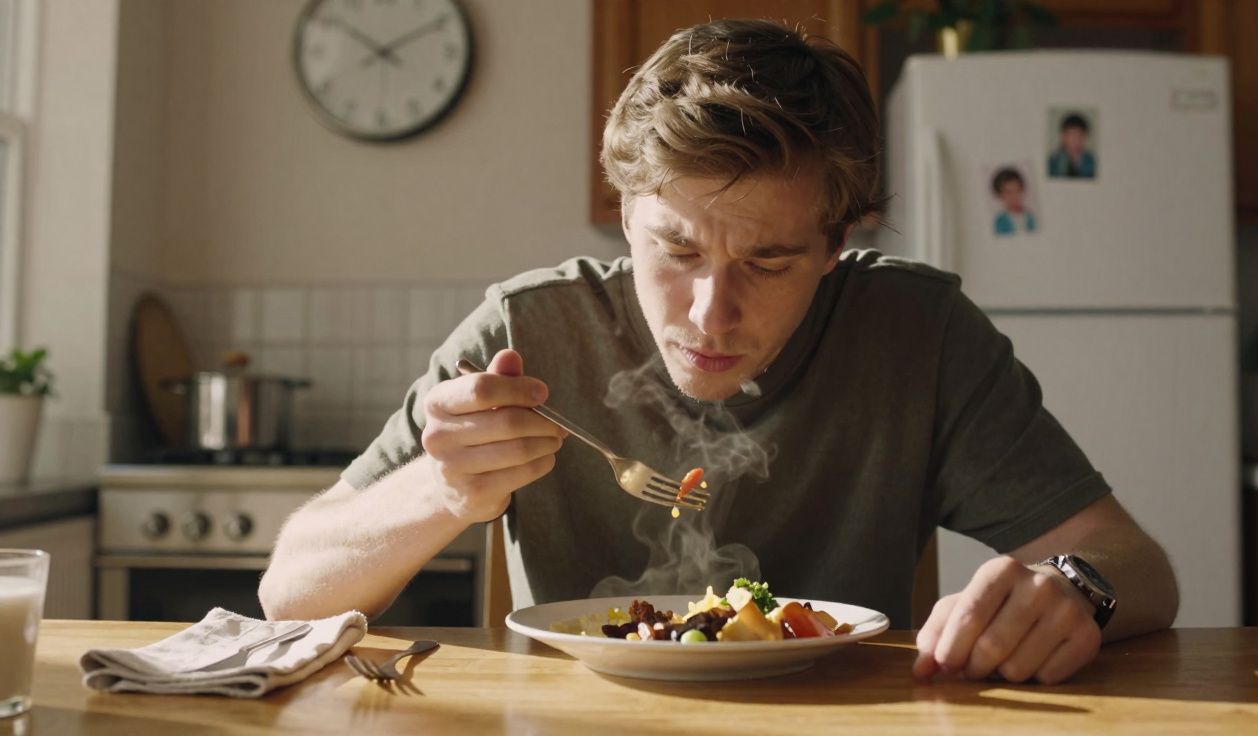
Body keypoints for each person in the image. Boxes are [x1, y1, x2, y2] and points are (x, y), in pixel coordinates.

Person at [260, 19, 1177, 685]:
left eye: (768, 262)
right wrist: (443, 490)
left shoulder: (917, 333)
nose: (711, 313)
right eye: (677, 251)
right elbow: (289, 594)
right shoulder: (527, 331)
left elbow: (1138, 566)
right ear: (627, 212)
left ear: (834, 244)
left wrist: (1074, 587)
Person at [1048, 112, 1097, 178]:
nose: (1075, 140)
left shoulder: (1092, 162)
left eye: (1079, 135)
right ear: (1063, 136)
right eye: (1071, 135)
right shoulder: (1053, 162)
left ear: (1085, 137)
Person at [992, 167, 1037, 235]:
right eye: (1009, 193)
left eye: (1017, 191)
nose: (1014, 196)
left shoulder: (1030, 218)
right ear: (1000, 195)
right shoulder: (1000, 221)